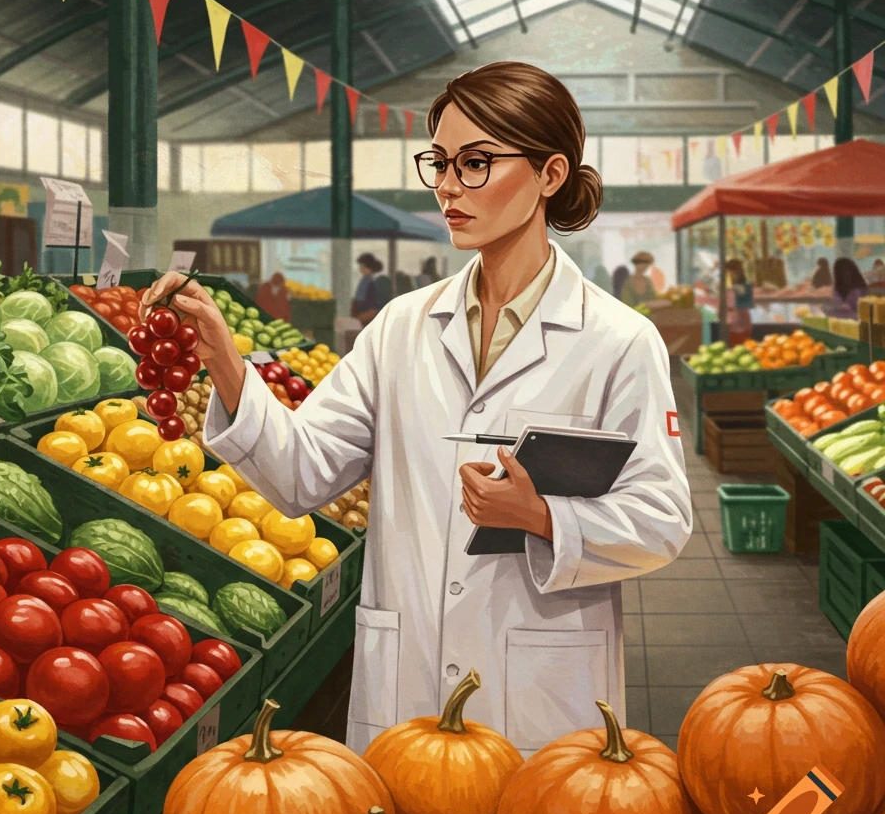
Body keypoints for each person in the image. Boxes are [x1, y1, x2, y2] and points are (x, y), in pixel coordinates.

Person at [141, 61, 690, 757]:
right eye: (440, 162)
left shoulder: (618, 341)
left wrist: (543, 516)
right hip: (409, 686)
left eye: (476, 163)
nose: (448, 186)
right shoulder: (401, 326)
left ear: (551, 174)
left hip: (542, 692)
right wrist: (223, 358)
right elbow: (301, 475)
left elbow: (663, 518)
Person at [724, 258, 754, 346]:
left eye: (732, 273)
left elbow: (745, 305)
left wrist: (729, 308)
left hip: (741, 327)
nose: (731, 275)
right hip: (733, 326)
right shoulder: (732, 288)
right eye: (729, 273)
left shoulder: (742, 287)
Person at [351, 253, 384, 326]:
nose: (360, 269)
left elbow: (373, 308)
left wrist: (358, 318)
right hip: (360, 314)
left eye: (362, 266)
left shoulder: (372, 283)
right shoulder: (364, 280)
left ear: (369, 268)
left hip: (366, 316)